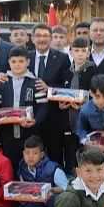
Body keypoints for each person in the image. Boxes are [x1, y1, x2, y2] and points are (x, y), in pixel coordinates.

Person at [0, 45, 49, 171]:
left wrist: (36, 121)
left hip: (29, 133)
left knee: (30, 164)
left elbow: (43, 106)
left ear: (28, 62)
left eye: (21, 61)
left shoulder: (35, 82)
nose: (17, 65)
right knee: (9, 163)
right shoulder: (2, 82)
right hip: (7, 133)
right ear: (9, 62)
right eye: (14, 61)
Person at [29, 23, 71, 168]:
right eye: (38, 36)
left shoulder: (62, 58)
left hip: (53, 117)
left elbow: (67, 85)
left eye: (45, 36)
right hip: (30, 116)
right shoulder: (25, 57)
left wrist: (49, 89)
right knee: (32, 156)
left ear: (51, 38)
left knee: (55, 157)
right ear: (32, 38)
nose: (42, 39)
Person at [60, 37, 99, 172]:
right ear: (70, 52)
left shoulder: (94, 71)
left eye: (83, 50)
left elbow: (96, 95)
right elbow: (62, 94)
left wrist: (85, 105)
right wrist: (62, 104)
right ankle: (76, 177)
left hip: (87, 121)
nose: (80, 53)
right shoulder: (67, 72)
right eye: (76, 50)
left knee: (88, 155)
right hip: (70, 120)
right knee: (73, 155)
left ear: (88, 53)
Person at [16, 136, 68, 207]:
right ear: (23, 153)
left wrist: (52, 190)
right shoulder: (22, 166)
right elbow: (22, 183)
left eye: (35, 153)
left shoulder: (52, 168)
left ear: (42, 154)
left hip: (52, 197)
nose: (30, 156)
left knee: (54, 201)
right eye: (27, 153)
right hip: (36, 199)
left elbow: (66, 187)